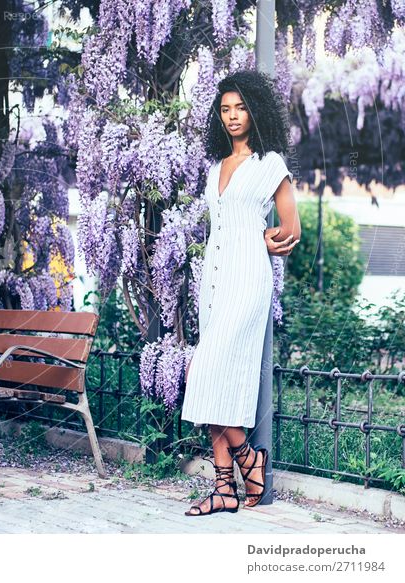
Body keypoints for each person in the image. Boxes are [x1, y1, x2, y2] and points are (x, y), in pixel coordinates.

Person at [181, 70, 301, 516]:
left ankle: (247, 461)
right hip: (213, 276)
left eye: (240, 108)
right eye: (225, 110)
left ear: (254, 112)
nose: (233, 117)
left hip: (248, 277)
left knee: (208, 372)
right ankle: (226, 485)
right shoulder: (215, 168)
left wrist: (265, 239)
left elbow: (291, 228)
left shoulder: (270, 164)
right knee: (212, 378)